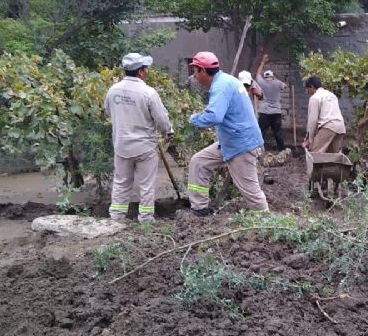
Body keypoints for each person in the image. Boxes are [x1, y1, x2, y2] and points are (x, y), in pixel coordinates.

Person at [186, 51, 268, 216]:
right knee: (199, 163)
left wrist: (194, 119)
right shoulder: (227, 80)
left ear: (202, 70)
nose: (194, 76)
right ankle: (200, 208)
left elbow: (214, 116)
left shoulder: (221, 86)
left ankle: (266, 220)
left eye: (195, 71)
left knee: (250, 190)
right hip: (230, 141)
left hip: (241, 144)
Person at [104, 53, 173, 223]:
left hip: (121, 146)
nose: (147, 71)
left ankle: (116, 218)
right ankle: (146, 219)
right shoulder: (148, 93)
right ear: (141, 72)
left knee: (121, 183)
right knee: (146, 185)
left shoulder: (113, 91)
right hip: (145, 147)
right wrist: (168, 132)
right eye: (145, 68)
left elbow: (108, 111)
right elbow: (162, 119)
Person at [303, 76, 346, 153]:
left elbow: (313, 121)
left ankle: (316, 165)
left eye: (307, 89)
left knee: (315, 152)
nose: (307, 91)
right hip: (341, 127)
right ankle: (334, 165)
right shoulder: (331, 95)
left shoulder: (315, 98)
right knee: (333, 154)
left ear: (312, 87)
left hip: (328, 126)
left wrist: (309, 139)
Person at [255, 54, 287, 152]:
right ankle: (282, 150)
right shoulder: (277, 83)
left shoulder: (262, 82)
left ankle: (258, 150)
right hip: (276, 112)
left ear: (265, 77)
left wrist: (263, 62)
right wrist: (275, 79)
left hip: (264, 112)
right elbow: (285, 86)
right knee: (277, 133)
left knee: (261, 132)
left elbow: (257, 75)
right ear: (272, 76)